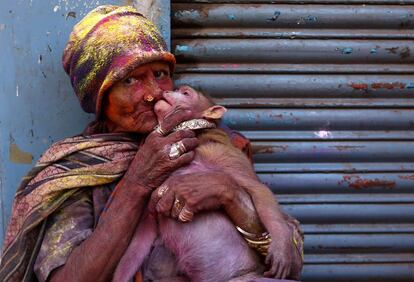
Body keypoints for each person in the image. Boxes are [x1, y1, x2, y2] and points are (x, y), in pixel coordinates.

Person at [0, 5, 303, 282]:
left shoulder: (215, 140)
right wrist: (139, 181)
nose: (152, 93)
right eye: (129, 81)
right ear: (100, 98)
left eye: (160, 75)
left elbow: (288, 258)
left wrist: (230, 195)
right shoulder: (78, 169)